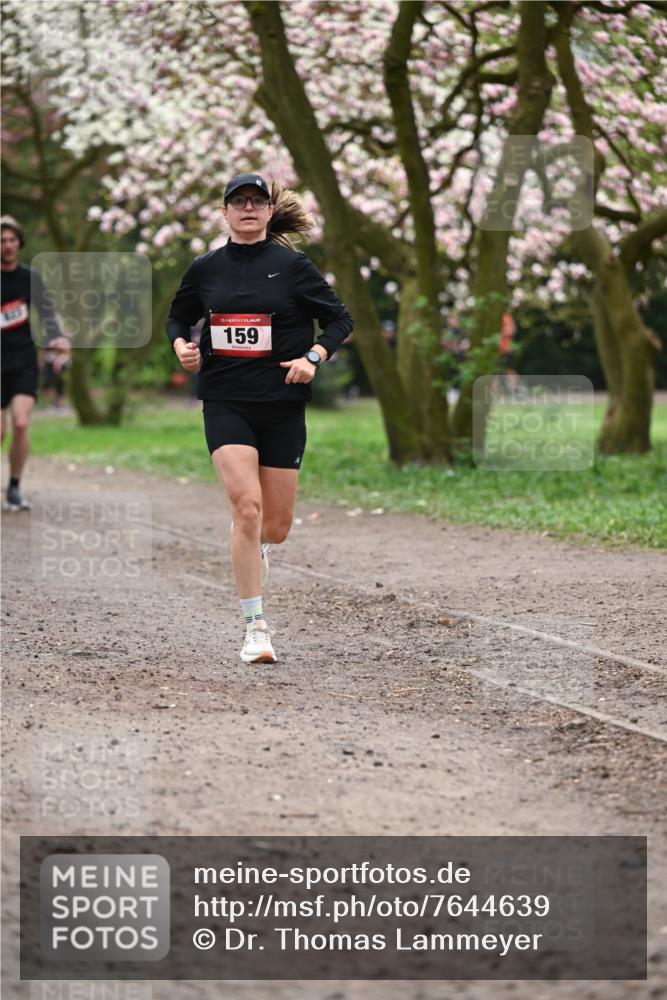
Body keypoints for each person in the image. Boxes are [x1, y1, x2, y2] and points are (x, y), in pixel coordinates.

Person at [166, 173, 353, 665]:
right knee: (246, 509)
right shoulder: (206, 268)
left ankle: (256, 546)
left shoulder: (292, 266)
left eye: (257, 201)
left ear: (269, 212)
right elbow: (178, 315)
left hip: (282, 406)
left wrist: (313, 356)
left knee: (276, 525)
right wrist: (182, 345)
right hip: (226, 400)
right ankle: (255, 627)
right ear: (225, 213)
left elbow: (340, 319)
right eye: (238, 202)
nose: (247, 209)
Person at [1, 215, 70, 510]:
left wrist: (57, 339)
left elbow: (46, 312)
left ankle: (14, 486)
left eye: (12, 240)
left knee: (20, 422)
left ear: (19, 243)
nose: (7, 246)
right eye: (2, 241)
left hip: (23, 359)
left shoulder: (30, 278)